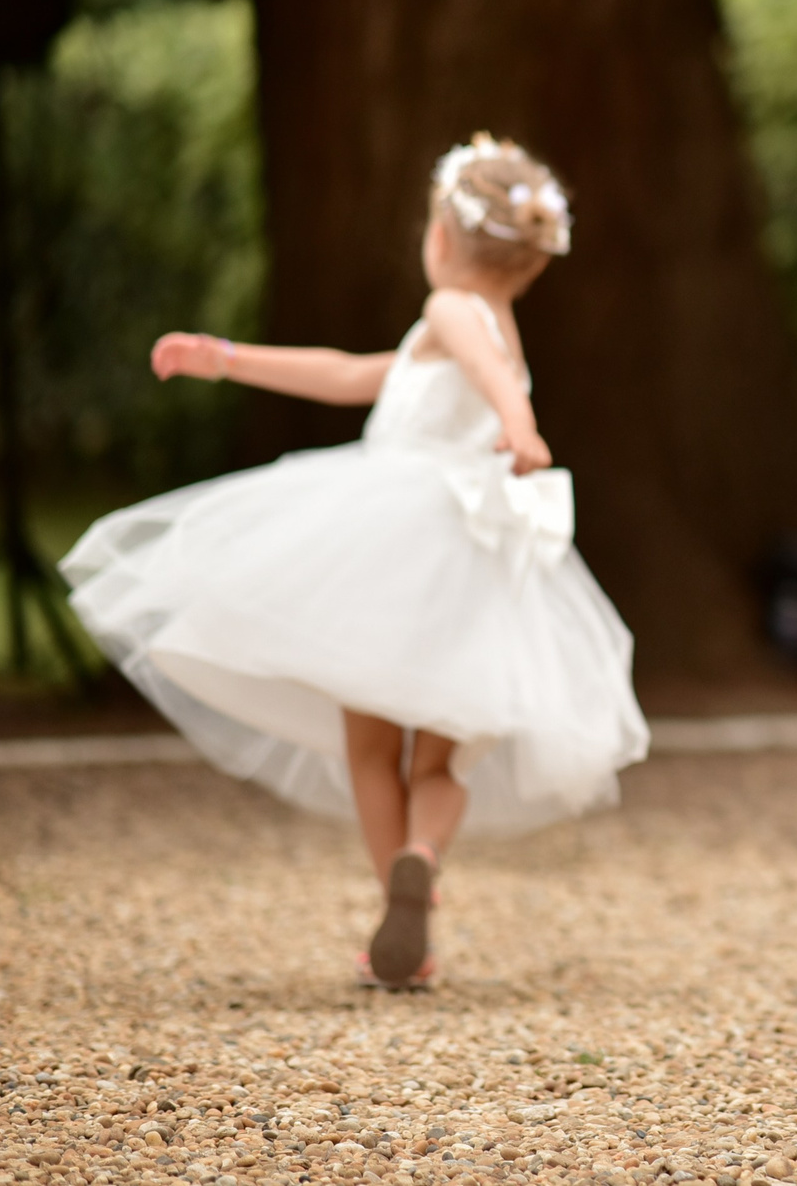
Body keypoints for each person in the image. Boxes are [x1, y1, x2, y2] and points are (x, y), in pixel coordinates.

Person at [62, 133, 649, 990]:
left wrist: (519, 427)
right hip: (465, 563)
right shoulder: (479, 326)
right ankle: (422, 855)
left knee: (371, 754)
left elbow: (481, 373)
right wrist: (229, 359)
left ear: (440, 238)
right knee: (439, 765)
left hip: (392, 552)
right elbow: (348, 373)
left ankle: (399, 914)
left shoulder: (454, 311)